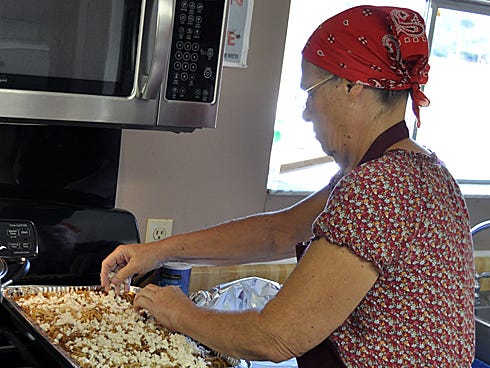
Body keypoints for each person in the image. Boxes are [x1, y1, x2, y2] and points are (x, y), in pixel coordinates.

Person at [101, 5, 475, 367]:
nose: (306, 111)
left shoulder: (379, 186)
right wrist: (158, 251)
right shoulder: (419, 170)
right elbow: (275, 232)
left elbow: (276, 335)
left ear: (351, 86)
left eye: (311, 92)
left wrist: (178, 312)